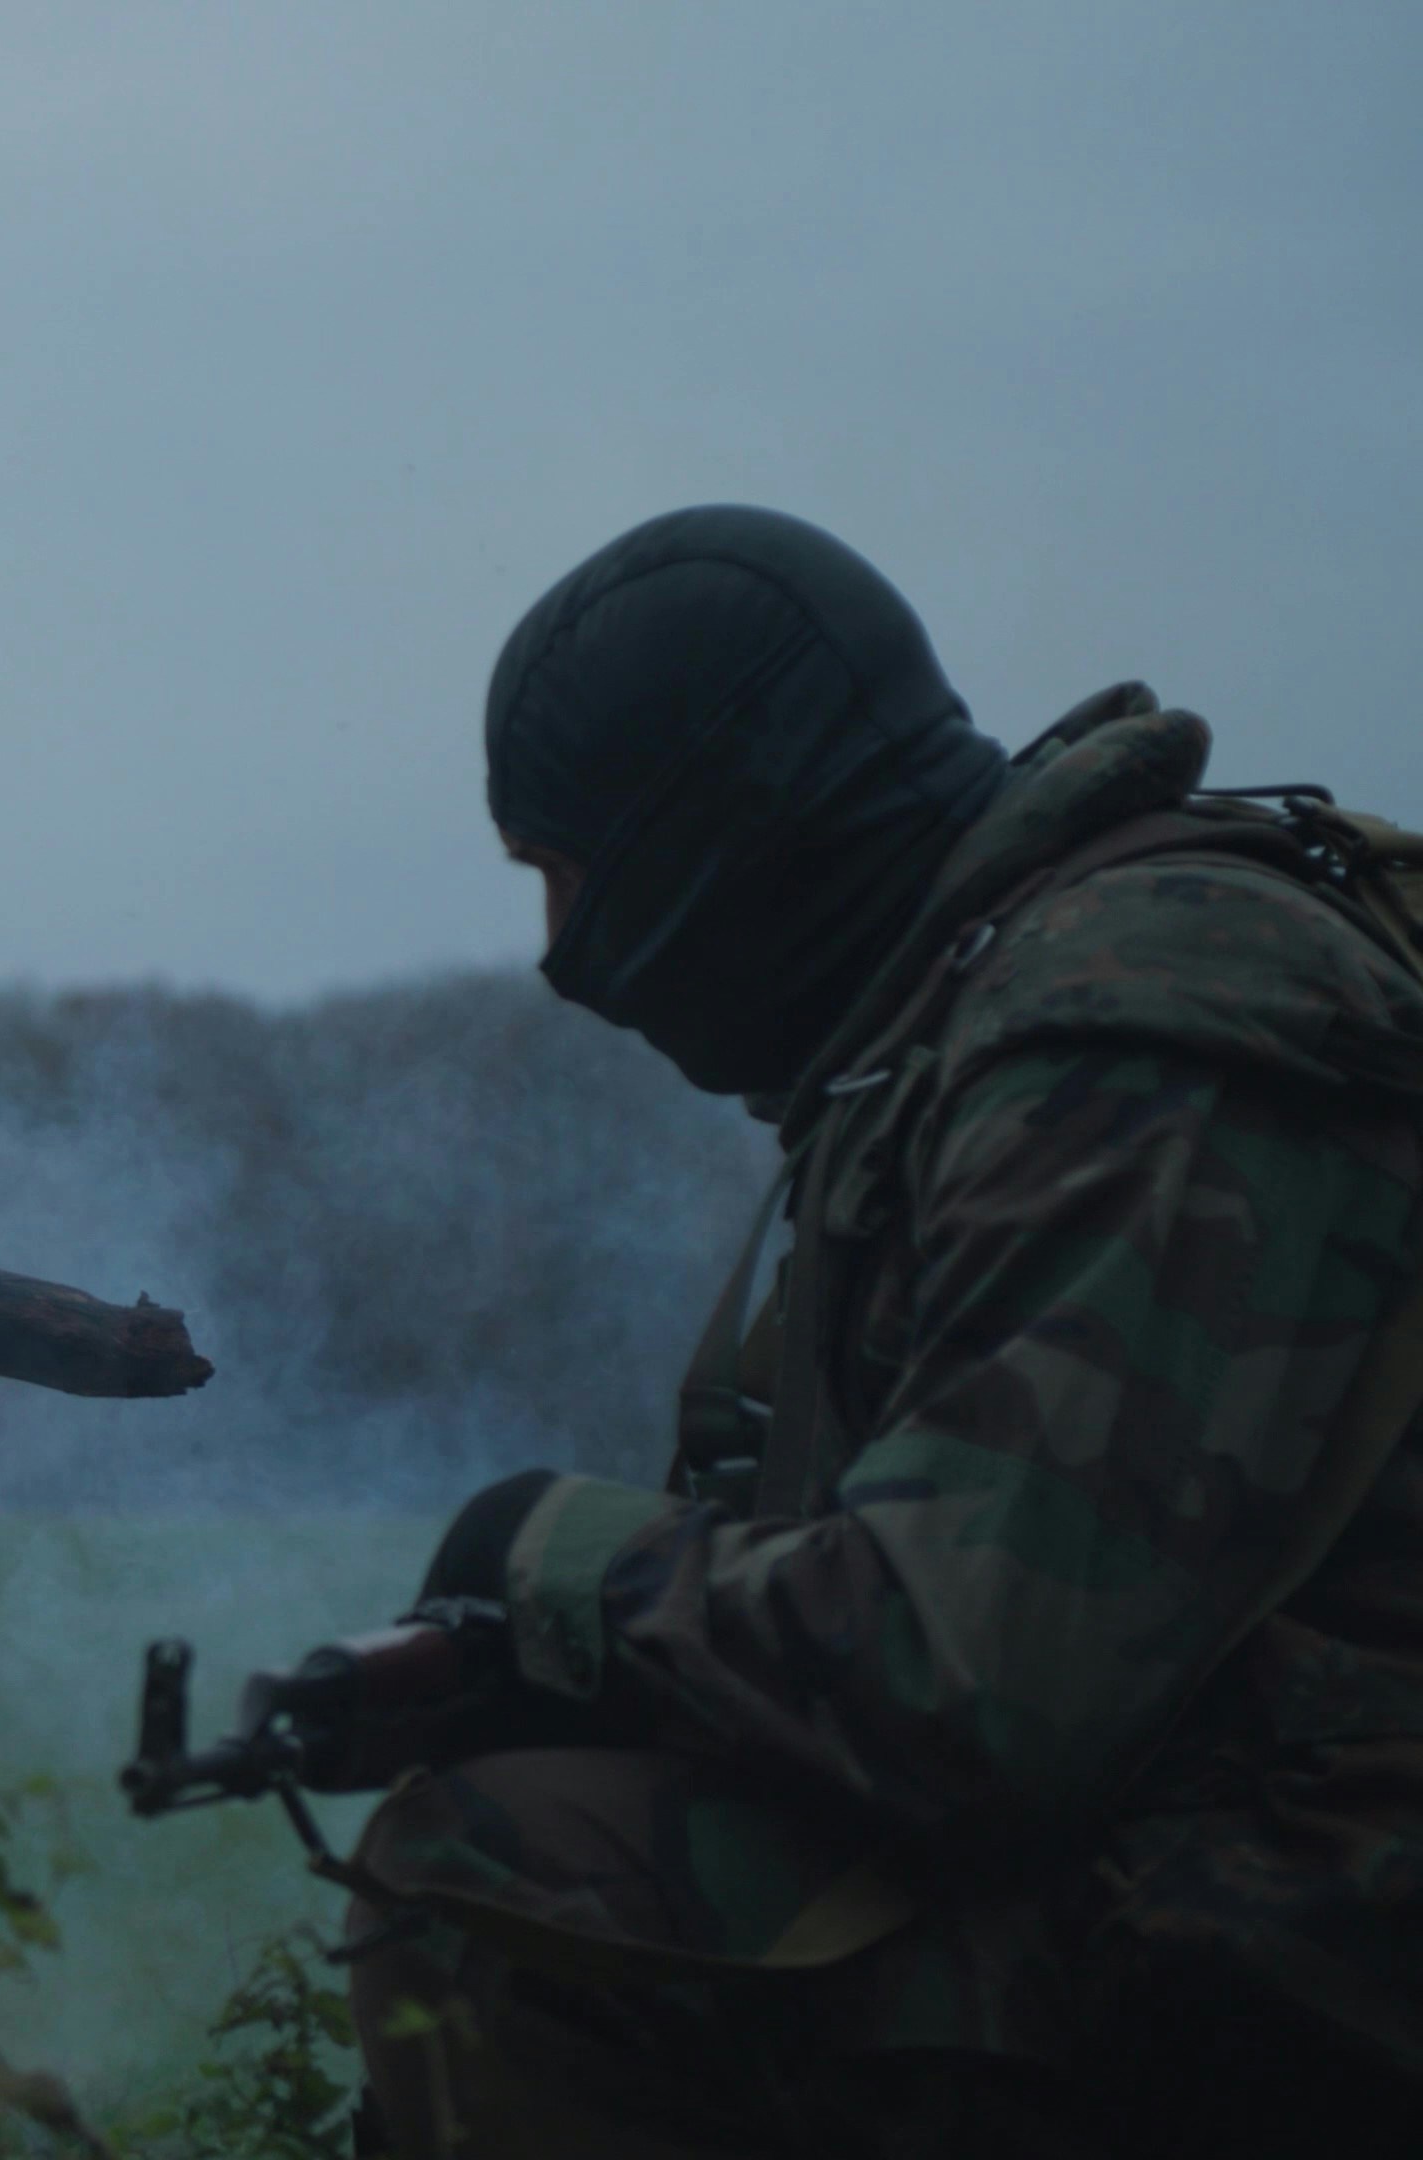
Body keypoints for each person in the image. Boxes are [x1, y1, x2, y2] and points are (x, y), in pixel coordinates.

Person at [333, 505, 1423, 2156]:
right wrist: (554, 1669)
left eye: (566, 872)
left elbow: (969, 1684)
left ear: (725, 829)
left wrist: (553, 1573)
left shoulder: (1126, 1013)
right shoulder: (974, 1014)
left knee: (501, 1880)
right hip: (1238, 1853)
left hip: (1325, 1921)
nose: (562, 954)